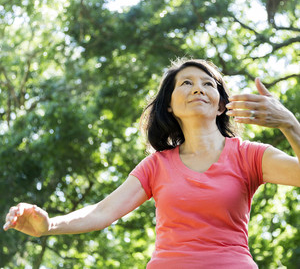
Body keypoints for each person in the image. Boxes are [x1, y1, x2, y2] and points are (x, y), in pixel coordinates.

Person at [3, 58, 300, 268]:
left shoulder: (250, 155)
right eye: (186, 82)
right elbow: (102, 211)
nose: (198, 88)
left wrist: (290, 124)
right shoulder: (156, 166)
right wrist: (50, 225)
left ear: (221, 104)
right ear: (169, 104)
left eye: (208, 83)